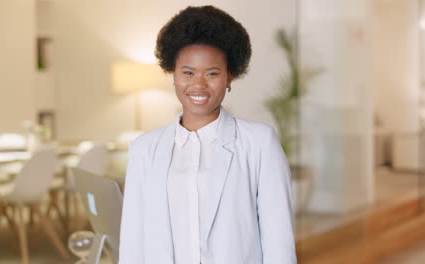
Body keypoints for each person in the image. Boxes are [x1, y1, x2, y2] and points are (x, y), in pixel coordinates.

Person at [119, 5, 296, 264]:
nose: (199, 84)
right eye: (188, 72)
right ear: (173, 74)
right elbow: (133, 240)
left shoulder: (259, 143)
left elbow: (278, 239)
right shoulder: (145, 148)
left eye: (212, 73)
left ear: (229, 77)